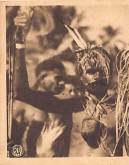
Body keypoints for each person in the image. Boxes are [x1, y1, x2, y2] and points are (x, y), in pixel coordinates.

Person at [13, 11, 122, 157]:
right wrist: (20, 41)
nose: (98, 75)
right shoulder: (74, 107)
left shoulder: (122, 108)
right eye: (91, 71)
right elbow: (20, 92)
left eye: (103, 70)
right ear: (81, 76)